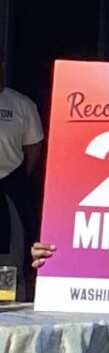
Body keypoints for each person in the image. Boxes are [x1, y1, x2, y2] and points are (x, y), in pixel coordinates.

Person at [0, 58, 44, 259]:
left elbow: (33, 147)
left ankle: (6, 291)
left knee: (10, 260)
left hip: (9, 192)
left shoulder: (22, 105)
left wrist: (17, 179)